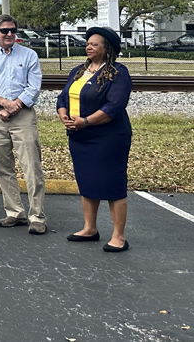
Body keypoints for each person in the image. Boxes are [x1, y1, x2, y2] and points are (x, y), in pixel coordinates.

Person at [56, 27, 133, 252]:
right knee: (87, 181)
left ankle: (119, 236)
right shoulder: (80, 71)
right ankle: (90, 228)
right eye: (88, 43)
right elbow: (63, 96)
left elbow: (114, 106)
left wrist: (86, 121)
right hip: (80, 136)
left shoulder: (118, 72)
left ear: (107, 48)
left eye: (95, 44)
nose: (89, 46)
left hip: (108, 137)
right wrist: (63, 113)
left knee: (112, 184)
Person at [0, 14, 47, 235]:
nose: (9, 34)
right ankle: (15, 212)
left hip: (22, 115)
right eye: (4, 31)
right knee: (2, 166)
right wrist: (3, 104)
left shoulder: (29, 55)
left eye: (13, 30)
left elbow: (34, 86)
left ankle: (37, 216)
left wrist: (14, 106)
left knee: (31, 166)